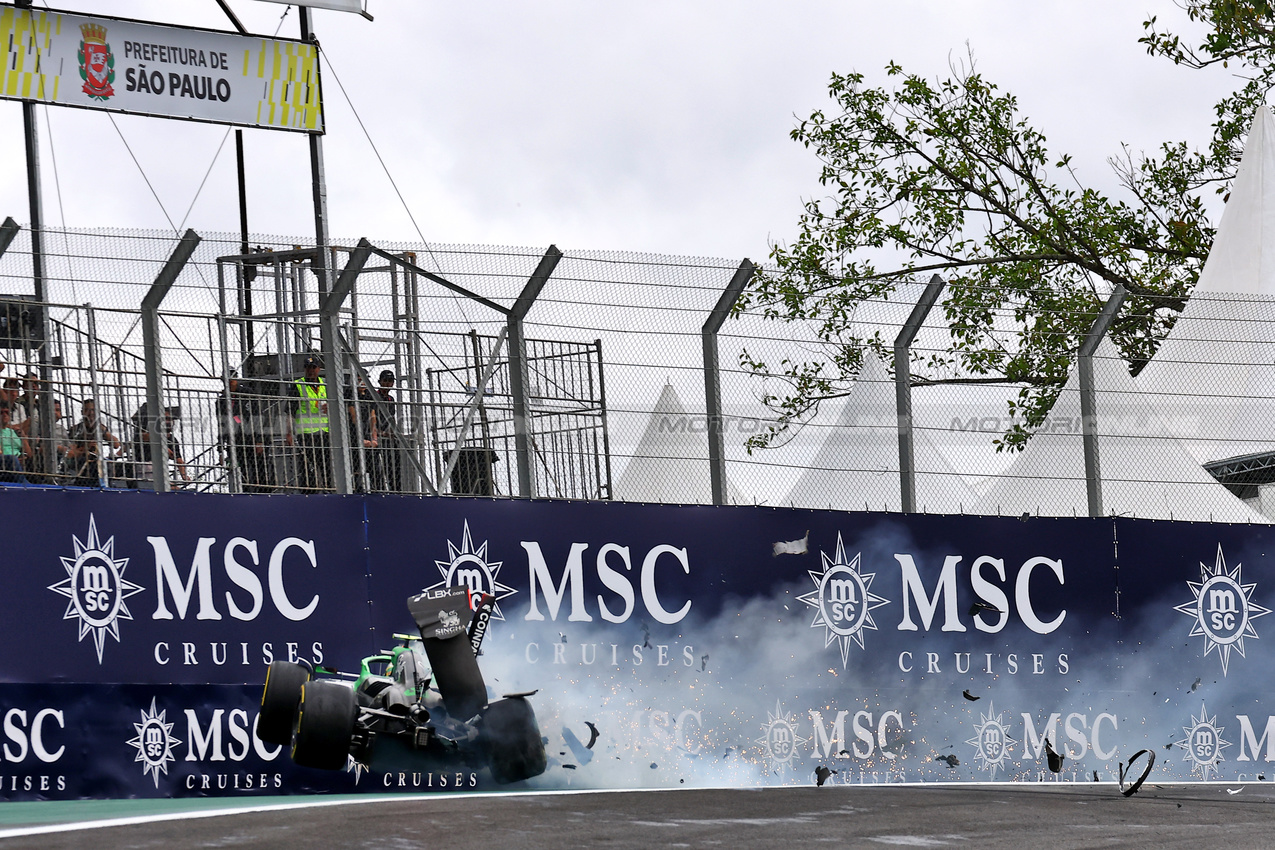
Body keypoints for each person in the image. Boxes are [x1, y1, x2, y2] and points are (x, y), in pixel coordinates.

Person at [220, 372, 271, 492]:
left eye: (232, 378)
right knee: (243, 472)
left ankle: (265, 494)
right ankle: (246, 494)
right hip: (236, 441)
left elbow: (258, 415)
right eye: (226, 379)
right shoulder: (221, 399)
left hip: (252, 436)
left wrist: (259, 440)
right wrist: (221, 449)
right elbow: (221, 424)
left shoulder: (247, 393)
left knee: (260, 470)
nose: (230, 381)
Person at [287, 354, 331, 492]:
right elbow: (290, 411)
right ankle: (309, 494)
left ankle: (329, 490)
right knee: (307, 467)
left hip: (324, 432)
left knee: (326, 466)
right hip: (306, 434)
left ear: (319, 369)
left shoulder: (325, 384)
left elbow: (336, 405)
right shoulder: (298, 385)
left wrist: (330, 407)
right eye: (308, 367)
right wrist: (289, 433)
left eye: (313, 367)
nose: (311, 370)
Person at [130, 404, 190, 488]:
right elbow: (142, 436)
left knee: (176, 489)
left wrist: (184, 475)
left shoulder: (172, 439)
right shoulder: (148, 434)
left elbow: (178, 459)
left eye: (171, 419)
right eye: (166, 419)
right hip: (145, 469)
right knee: (172, 489)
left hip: (160, 471)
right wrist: (163, 447)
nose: (169, 422)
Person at [66, 398, 120, 486]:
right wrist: (86, 447)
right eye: (87, 410)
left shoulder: (99, 428)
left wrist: (104, 431)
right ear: (82, 412)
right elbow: (71, 451)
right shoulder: (76, 429)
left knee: (107, 464)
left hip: (96, 459)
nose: (90, 413)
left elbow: (116, 444)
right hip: (80, 459)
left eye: (93, 410)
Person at [374, 369, 401, 491]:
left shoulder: (391, 399)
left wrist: (393, 432)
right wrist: (378, 432)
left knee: (394, 465)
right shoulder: (374, 396)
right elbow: (370, 416)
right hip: (376, 435)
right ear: (380, 381)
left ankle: (396, 489)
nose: (388, 383)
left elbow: (391, 418)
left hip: (388, 437)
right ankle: (380, 489)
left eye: (390, 381)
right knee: (378, 467)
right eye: (385, 380)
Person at [0, 404, 30, 484]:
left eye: (7, 412)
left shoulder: (13, 432)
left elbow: (29, 453)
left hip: (20, 460)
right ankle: (26, 485)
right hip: (5, 462)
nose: (5, 415)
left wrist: (23, 437)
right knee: (12, 459)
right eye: (1, 413)